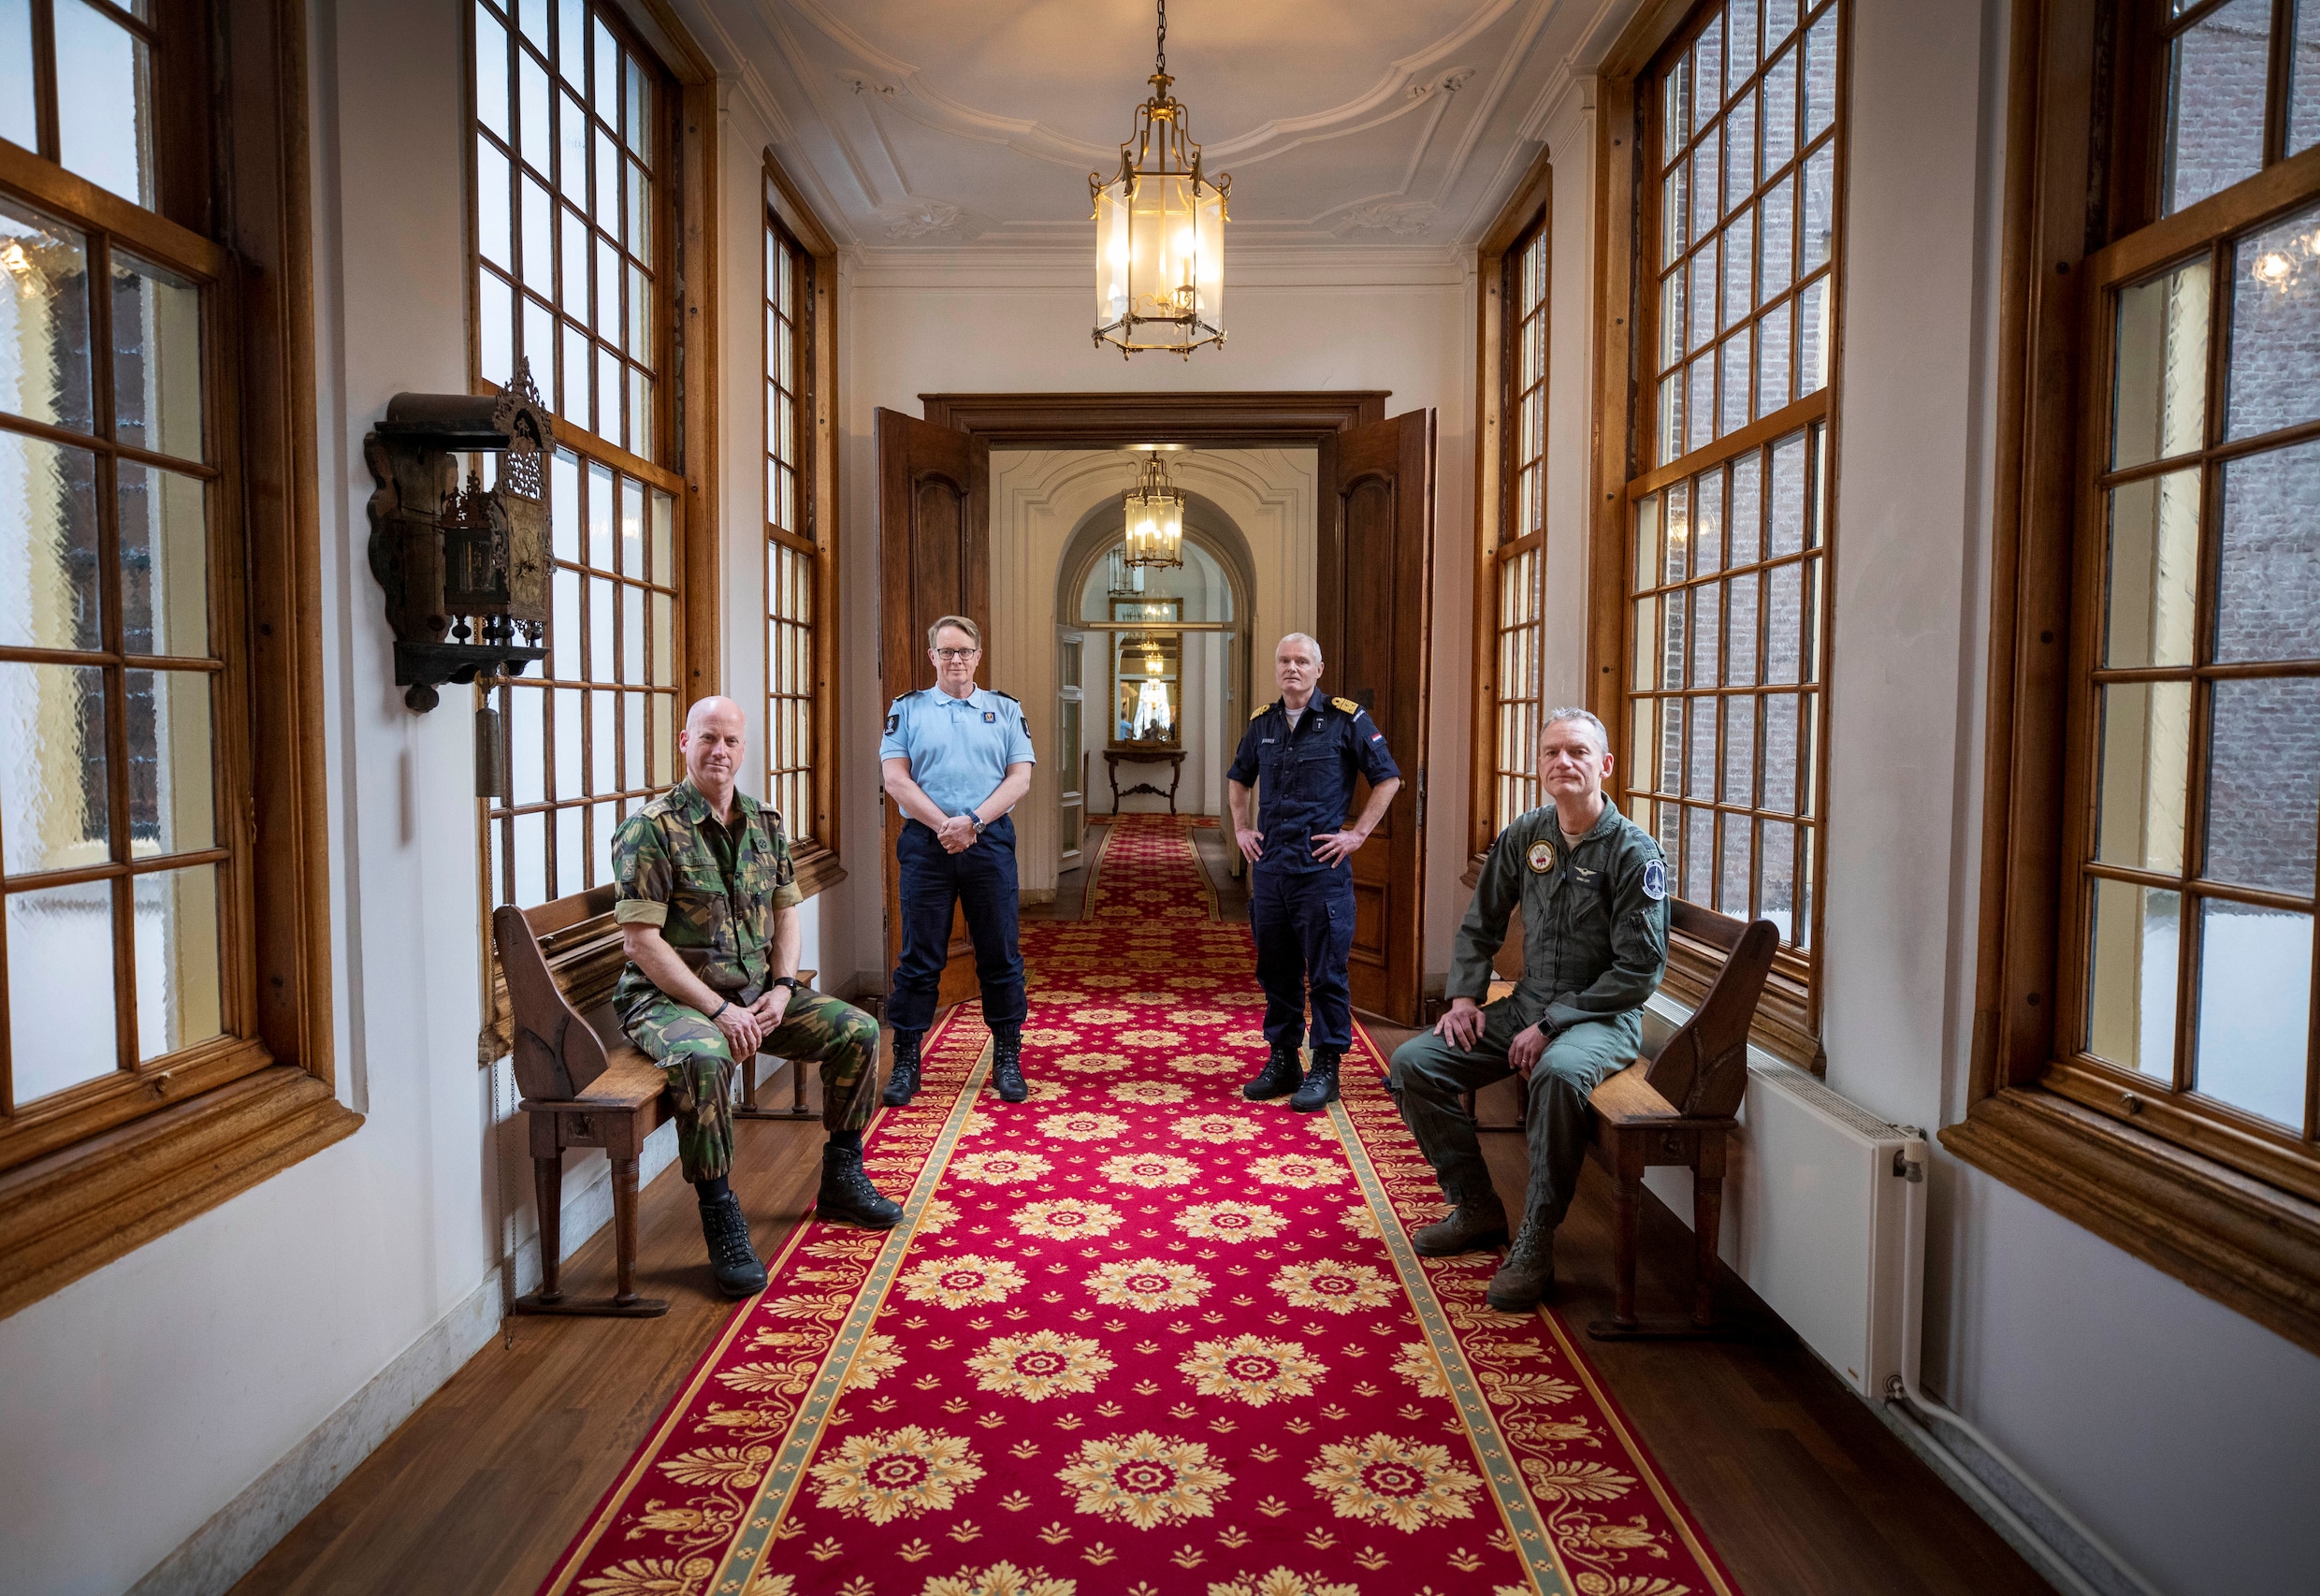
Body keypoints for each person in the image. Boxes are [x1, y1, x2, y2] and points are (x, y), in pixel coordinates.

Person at [613, 696, 901, 1299]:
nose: (719, 751)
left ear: (744, 748)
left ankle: (842, 1176)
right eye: (708, 738)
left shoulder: (765, 821)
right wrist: (718, 1010)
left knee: (858, 1031)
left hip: (752, 992)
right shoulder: (651, 828)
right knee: (705, 1057)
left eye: (731, 741)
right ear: (684, 742)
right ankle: (720, 1213)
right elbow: (641, 943)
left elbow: (786, 910)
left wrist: (783, 987)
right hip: (667, 1000)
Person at [1386, 707, 1670, 1312]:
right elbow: (1482, 921)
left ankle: (1536, 1239)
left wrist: (1552, 1023)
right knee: (1415, 1063)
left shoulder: (1633, 851)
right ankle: (1476, 1206)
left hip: (1600, 1018)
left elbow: (1638, 973)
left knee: (1558, 1074)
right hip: (1527, 1003)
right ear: (1539, 765)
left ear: (1605, 765)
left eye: (1577, 752)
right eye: (1551, 752)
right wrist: (1465, 998)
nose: (1563, 762)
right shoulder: (1528, 834)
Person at [1225, 632, 1402, 1112]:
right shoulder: (1262, 723)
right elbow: (1239, 778)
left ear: (1318, 670)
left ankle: (1326, 1064)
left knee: (1326, 973)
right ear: (1276, 668)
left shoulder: (1346, 720)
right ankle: (1283, 1059)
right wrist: (1241, 828)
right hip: (1271, 870)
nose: (1292, 668)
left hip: (1320, 871)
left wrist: (1358, 834)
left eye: (1302, 661)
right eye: (1285, 660)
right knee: (1276, 971)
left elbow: (1388, 778)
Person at [879, 616, 1037, 1105]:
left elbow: (1019, 778)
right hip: (927, 845)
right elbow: (895, 778)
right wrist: (946, 826)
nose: (956, 660)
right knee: (919, 958)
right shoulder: (907, 709)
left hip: (988, 841)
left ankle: (1007, 1057)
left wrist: (973, 822)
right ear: (932, 657)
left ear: (978, 656)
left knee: (1000, 953)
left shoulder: (1005, 709)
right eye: (946, 651)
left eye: (964, 651)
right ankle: (907, 1061)